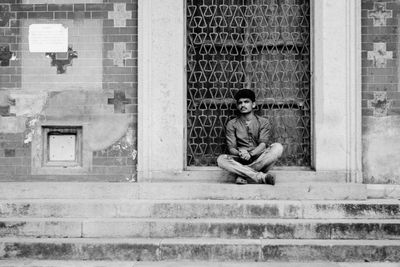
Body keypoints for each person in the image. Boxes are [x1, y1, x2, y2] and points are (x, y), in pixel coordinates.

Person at [217, 89, 283, 185]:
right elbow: (231, 148)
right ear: (237, 106)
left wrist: (251, 154)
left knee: (278, 147)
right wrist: (240, 153)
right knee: (221, 160)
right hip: (240, 160)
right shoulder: (232, 124)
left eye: (246, 102)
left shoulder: (263, 122)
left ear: (253, 104)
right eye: (240, 103)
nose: (243, 105)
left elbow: (263, 144)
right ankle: (260, 177)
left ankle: (242, 175)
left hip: (260, 159)